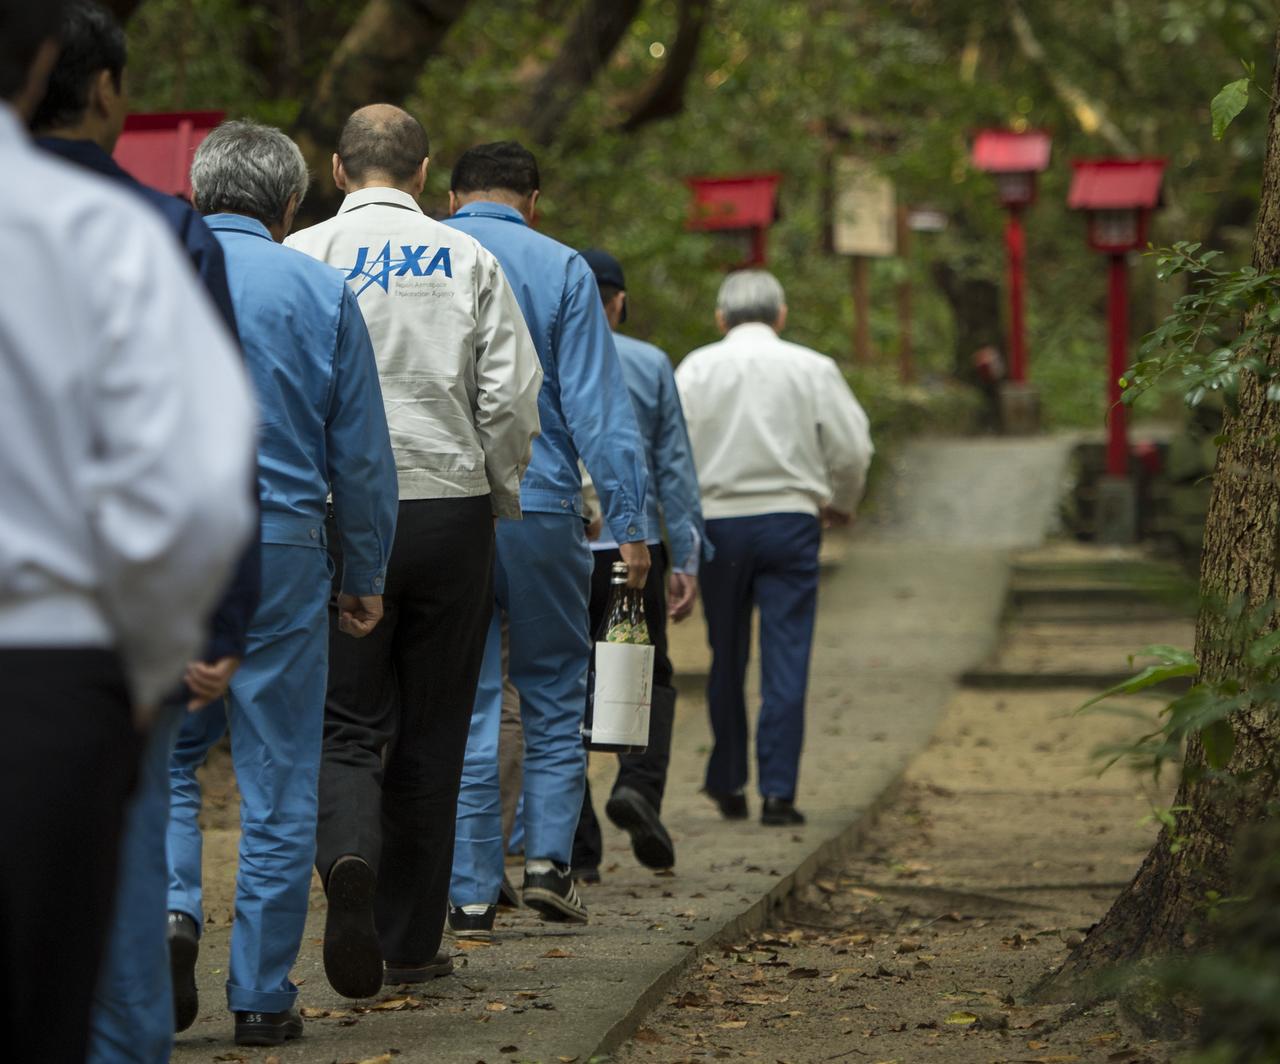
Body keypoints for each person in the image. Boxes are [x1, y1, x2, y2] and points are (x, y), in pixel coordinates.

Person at [0, 4, 258, 1060]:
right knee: (82, 942)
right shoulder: (125, 226)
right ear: (92, 83)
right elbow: (200, 474)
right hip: (65, 643)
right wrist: (162, 647)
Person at [285, 104, 542, 998]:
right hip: (449, 505)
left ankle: (348, 857)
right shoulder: (471, 258)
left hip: (333, 513)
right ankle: (408, 937)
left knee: (346, 722)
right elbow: (512, 393)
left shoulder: (302, 256)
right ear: (427, 173)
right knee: (435, 727)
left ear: (338, 169)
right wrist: (495, 489)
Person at [165, 119, 399, 1048]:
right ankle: (261, 996)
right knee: (278, 774)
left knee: (169, 763)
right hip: (285, 551)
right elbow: (364, 458)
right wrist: (365, 570)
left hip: (164, 549)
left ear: (195, 194)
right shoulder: (320, 287)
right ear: (291, 205)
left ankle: (173, 917)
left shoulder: (147, 276)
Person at [445, 141, 651, 936]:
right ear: (535, 201)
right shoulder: (564, 268)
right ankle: (547, 866)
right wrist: (631, 528)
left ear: (451, 195)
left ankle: (467, 889)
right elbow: (601, 410)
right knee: (555, 686)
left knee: (467, 694)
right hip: (545, 504)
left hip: (446, 506)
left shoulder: (432, 257)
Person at [676, 270, 873, 826]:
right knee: (787, 656)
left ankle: (728, 781)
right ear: (780, 316)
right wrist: (841, 500)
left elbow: (672, 450)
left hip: (719, 525)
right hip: (791, 520)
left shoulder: (695, 367)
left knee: (727, 654)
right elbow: (853, 447)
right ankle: (780, 793)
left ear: (721, 318)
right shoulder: (813, 367)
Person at [571, 248, 708, 883]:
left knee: (560, 684)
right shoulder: (649, 363)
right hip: (637, 551)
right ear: (619, 301)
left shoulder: (548, 356)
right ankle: (638, 788)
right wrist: (686, 553)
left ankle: (576, 843)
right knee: (647, 673)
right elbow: (674, 465)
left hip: (562, 546)